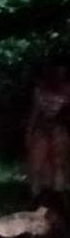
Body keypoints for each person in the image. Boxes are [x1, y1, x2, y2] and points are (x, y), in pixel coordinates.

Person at [25, 61, 69, 198]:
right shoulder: (40, 89)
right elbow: (35, 112)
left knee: (59, 164)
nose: (60, 71)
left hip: (59, 128)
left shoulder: (68, 89)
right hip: (42, 129)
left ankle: (57, 197)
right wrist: (29, 131)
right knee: (37, 165)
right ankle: (37, 197)